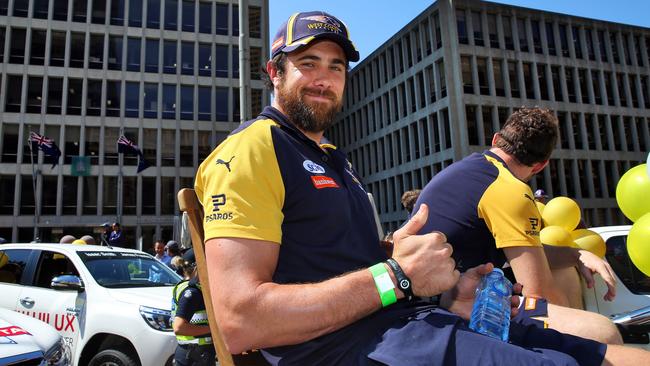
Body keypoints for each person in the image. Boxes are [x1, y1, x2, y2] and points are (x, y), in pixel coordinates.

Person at [194, 11, 650, 366]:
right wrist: (397, 276)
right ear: (274, 72)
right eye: (306, 64)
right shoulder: (254, 149)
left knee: (619, 354)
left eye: (336, 66)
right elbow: (241, 320)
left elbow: (334, 264)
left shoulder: (333, 157)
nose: (324, 78)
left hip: (407, 324)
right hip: (350, 348)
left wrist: (436, 287)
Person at [414, 107, 622, 344]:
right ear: (540, 166)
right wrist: (574, 325)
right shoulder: (508, 189)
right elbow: (539, 293)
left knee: (564, 271)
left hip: (423, 297)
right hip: (446, 307)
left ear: (495, 139)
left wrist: (576, 254)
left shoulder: (471, 171)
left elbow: (530, 260)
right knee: (603, 333)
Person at [171, 248, 215, 365]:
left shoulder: (183, 286)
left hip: (191, 353)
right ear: (197, 267)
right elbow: (179, 327)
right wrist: (213, 330)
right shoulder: (192, 292)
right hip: (196, 355)